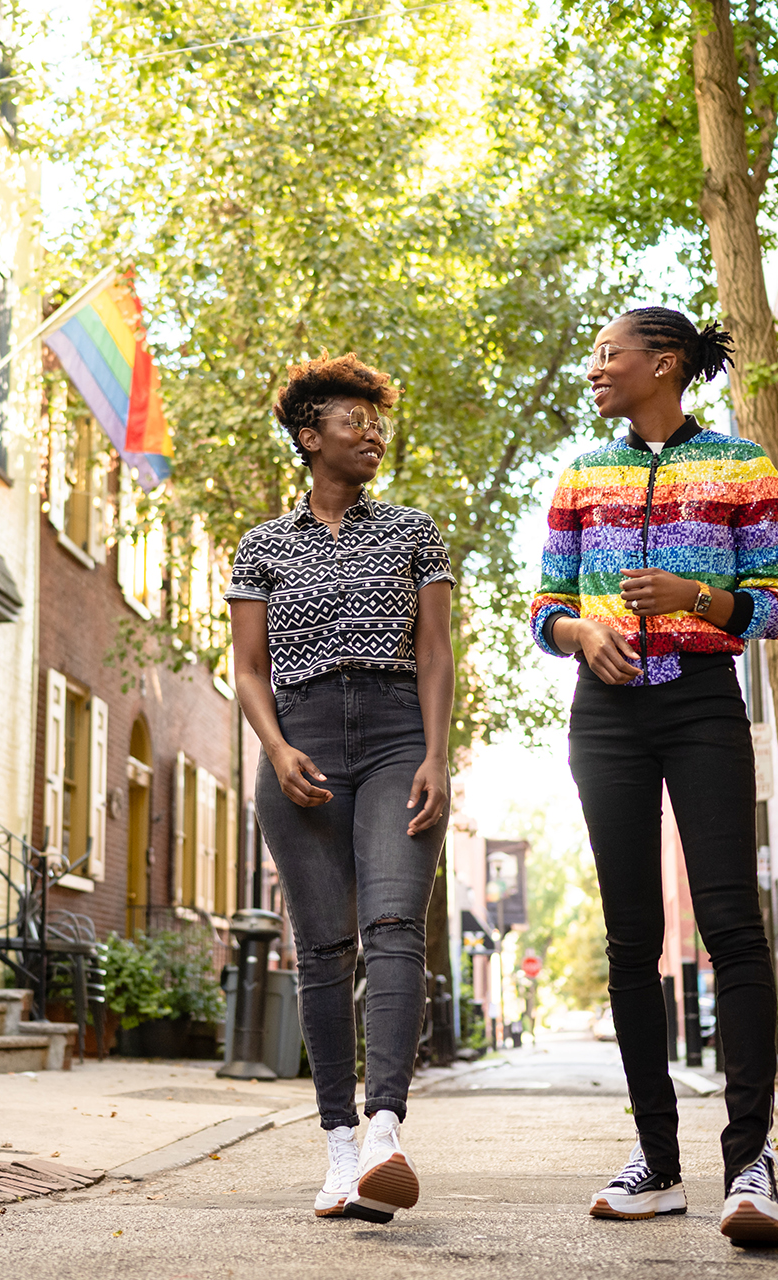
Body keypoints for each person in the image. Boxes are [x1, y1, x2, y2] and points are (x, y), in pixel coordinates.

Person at [530, 307, 778, 1246]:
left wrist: (697, 598)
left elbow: (776, 606)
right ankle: (657, 1162)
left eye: (611, 354)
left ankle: (750, 1165)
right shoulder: (582, 473)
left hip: (701, 703)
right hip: (604, 717)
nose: (596, 367)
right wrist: (578, 632)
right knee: (629, 939)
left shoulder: (741, 465)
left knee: (731, 926)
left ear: (666, 363)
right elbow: (545, 604)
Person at [227, 354, 455, 1224]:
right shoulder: (263, 545)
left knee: (395, 925)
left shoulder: (413, 531)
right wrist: (277, 749)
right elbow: (248, 669)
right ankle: (335, 1153)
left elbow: (435, 653)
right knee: (322, 950)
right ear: (308, 435)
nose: (372, 434)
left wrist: (437, 754)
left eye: (377, 421)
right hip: (304, 738)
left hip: (399, 730)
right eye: (353, 421)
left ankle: (384, 1130)